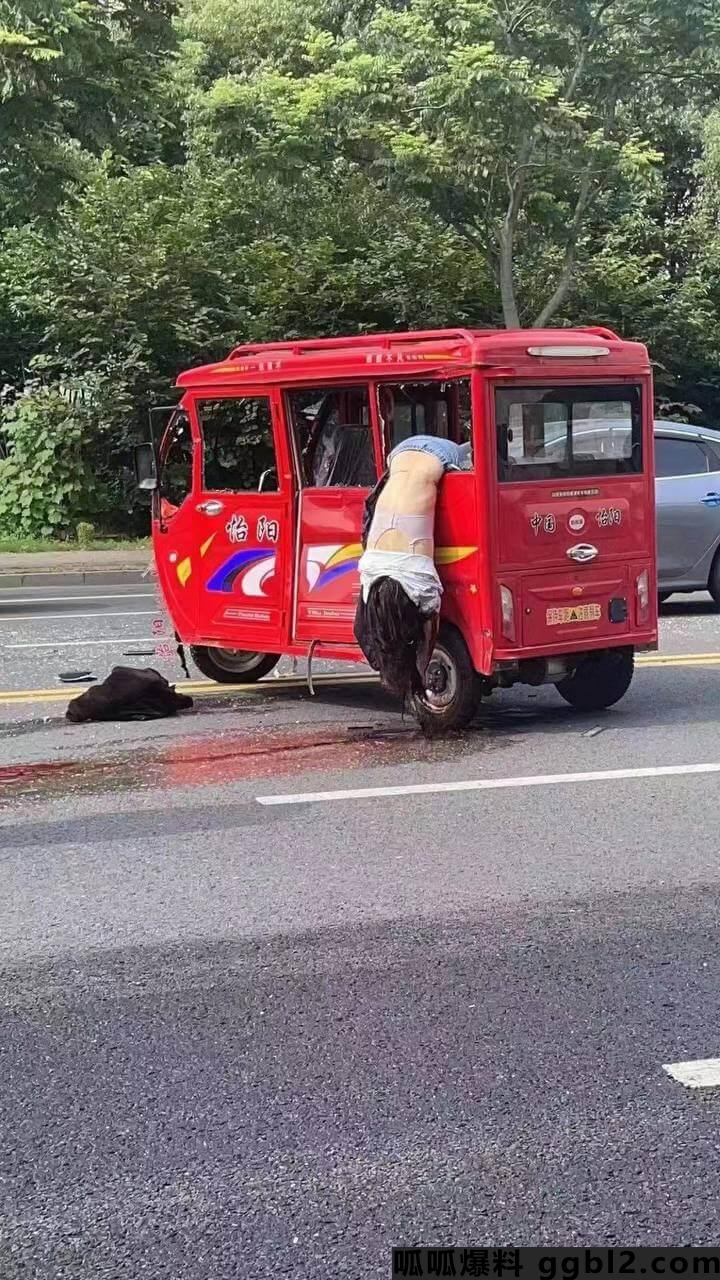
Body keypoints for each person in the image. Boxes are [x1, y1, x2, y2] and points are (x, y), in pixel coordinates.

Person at [353, 435, 464, 704]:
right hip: (399, 455)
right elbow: (360, 629)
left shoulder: (422, 582)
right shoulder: (369, 573)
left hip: (440, 456)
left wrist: (417, 672)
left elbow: (429, 637)